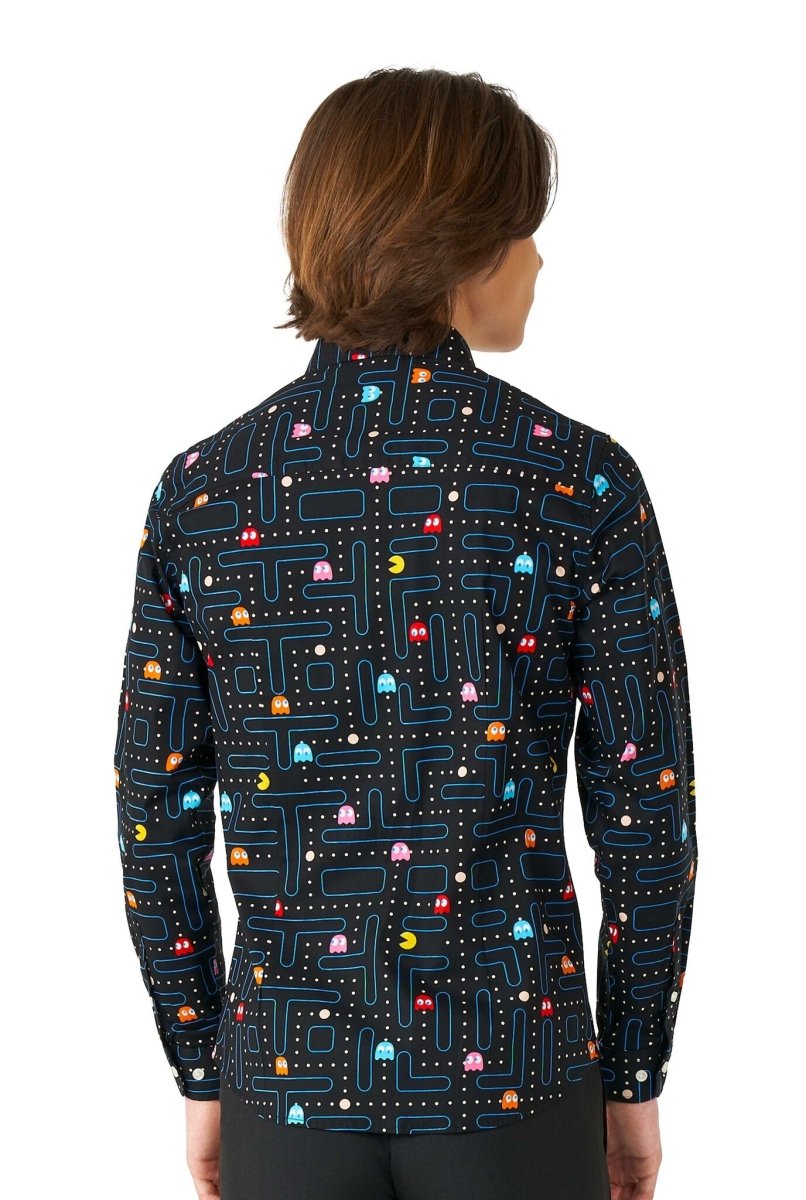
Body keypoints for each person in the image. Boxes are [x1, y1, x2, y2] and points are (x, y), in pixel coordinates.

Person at [113, 67, 698, 1200]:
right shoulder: (578, 482)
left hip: (286, 1082)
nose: (538, 260)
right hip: (517, 1080)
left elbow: (154, 809)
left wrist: (202, 1067)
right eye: (523, 230)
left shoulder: (205, 493)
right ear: (459, 245)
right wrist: (633, 1076)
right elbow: (646, 816)